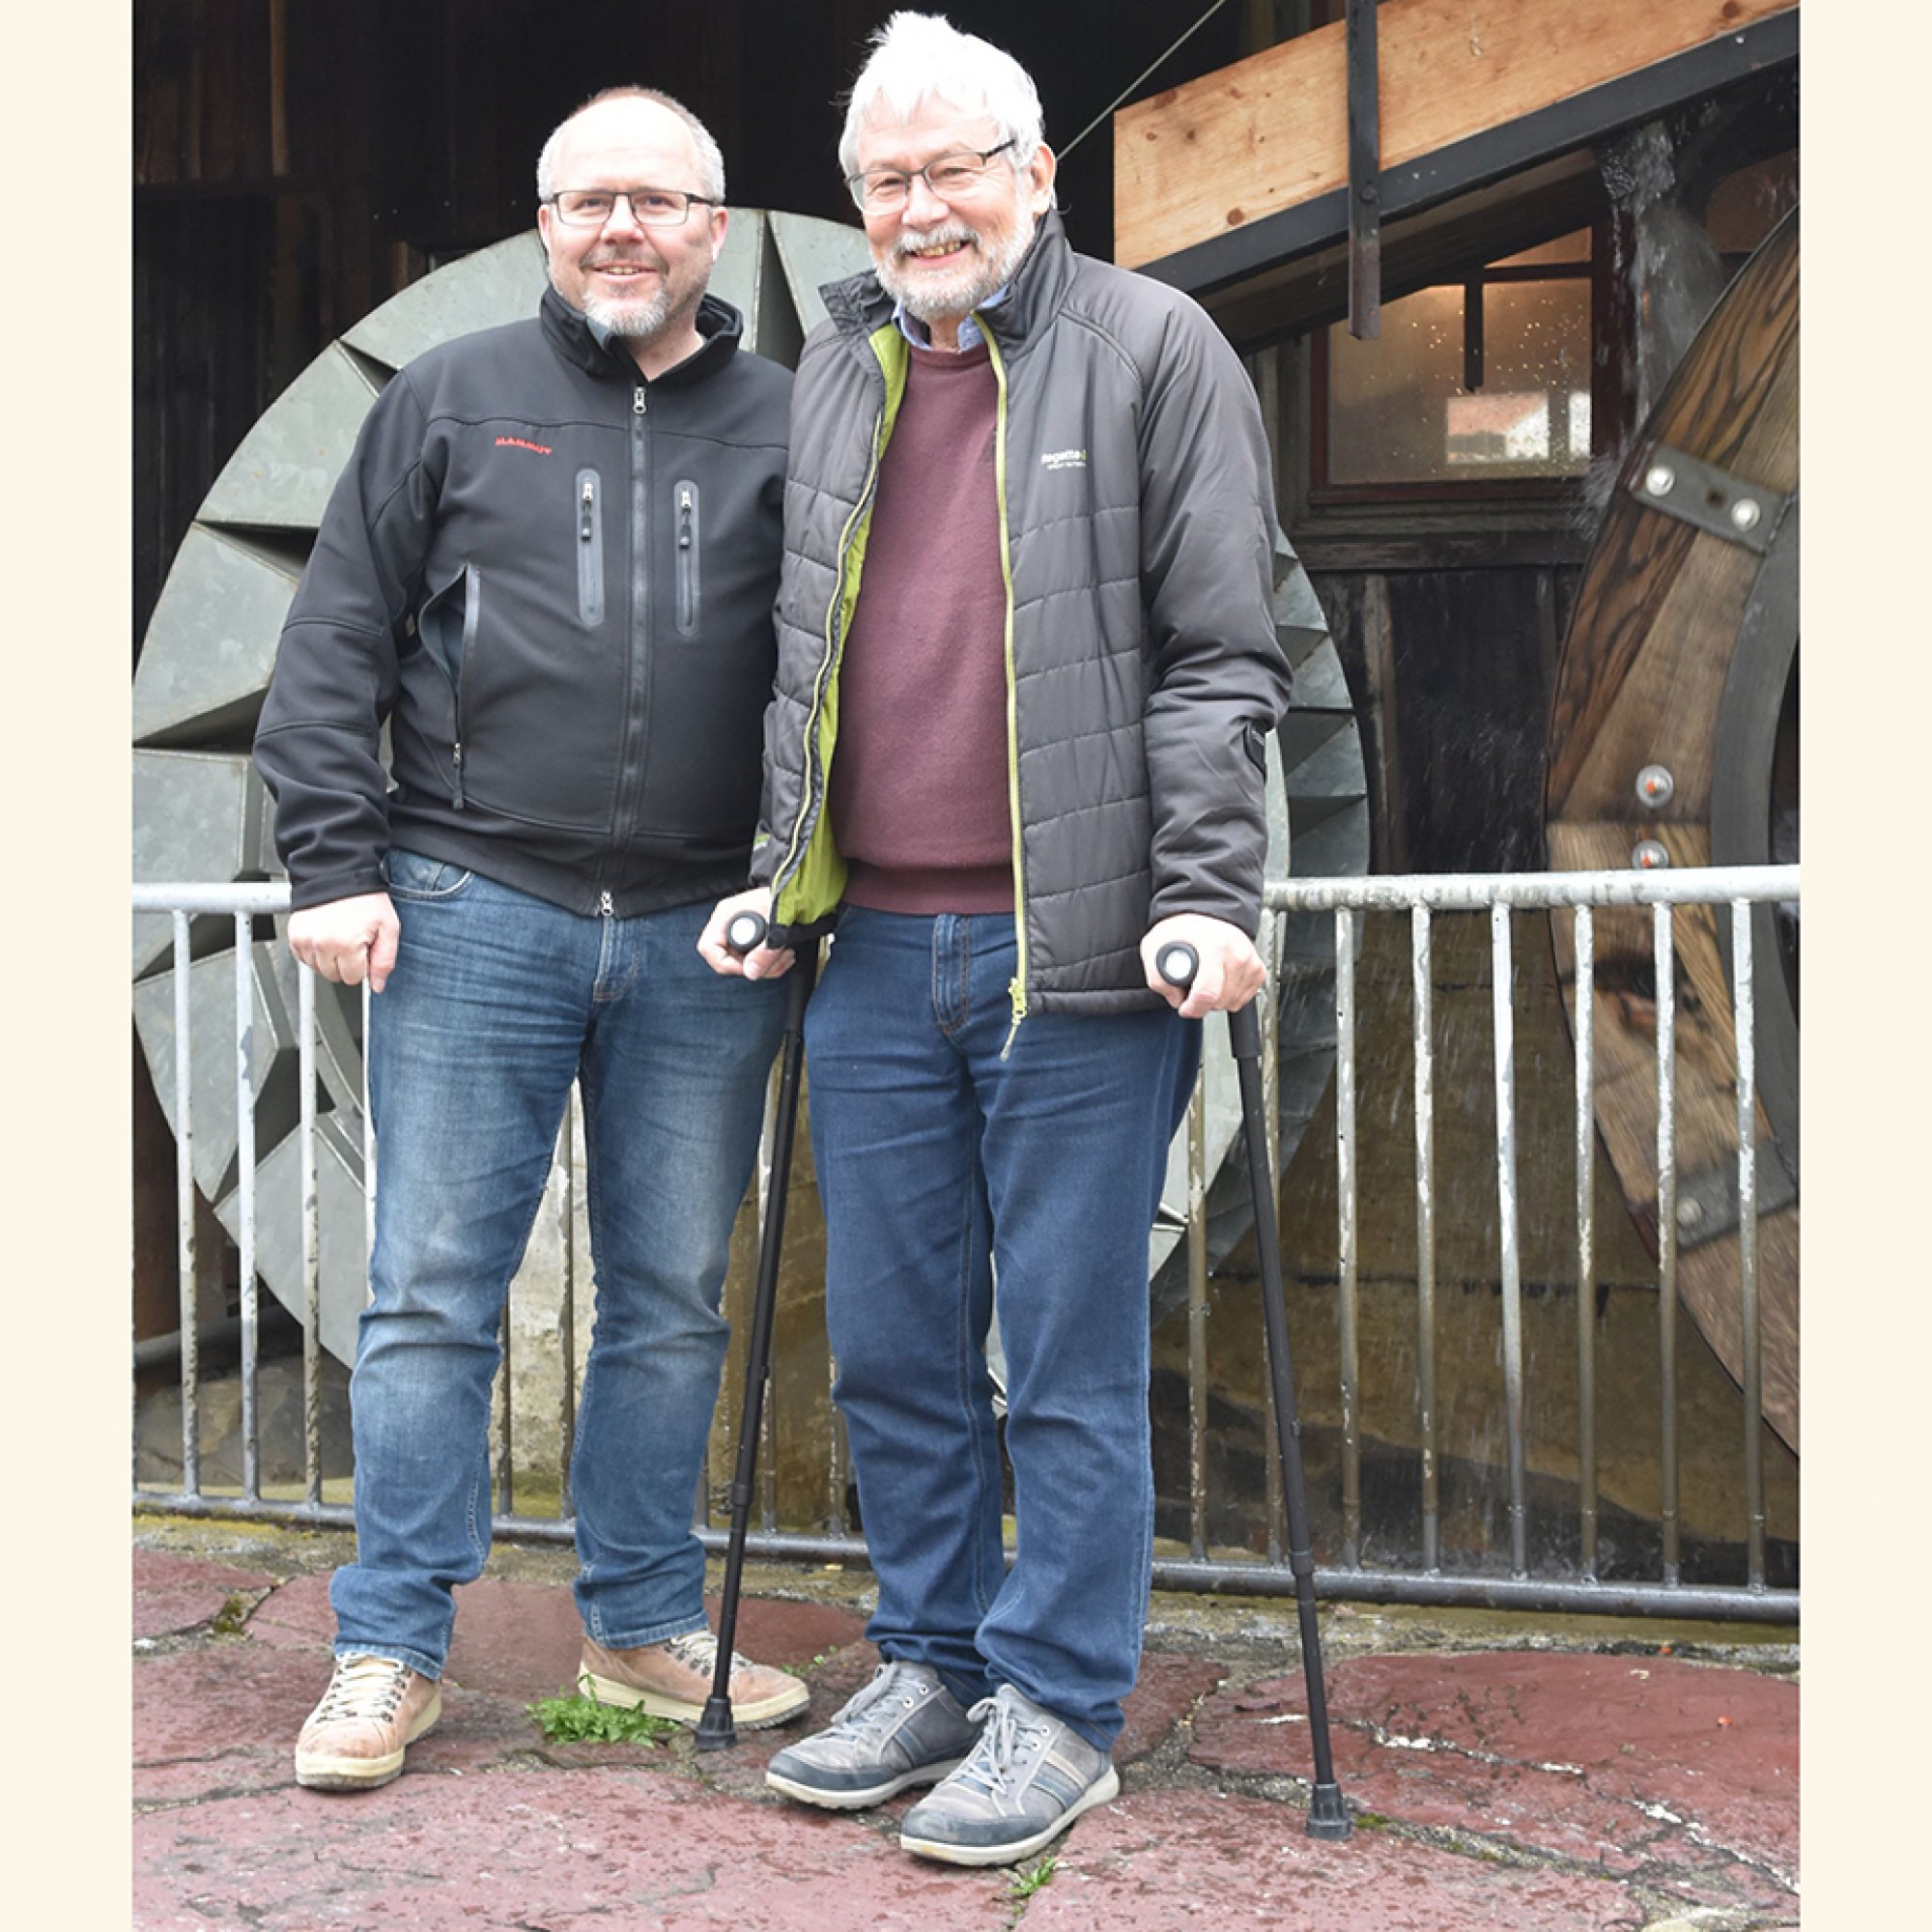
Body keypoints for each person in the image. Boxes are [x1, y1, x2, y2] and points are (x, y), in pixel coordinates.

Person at [699, 12, 1293, 1868]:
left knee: (1063, 1353)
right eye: (884, 179)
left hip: (1082, 956)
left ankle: (1059, 1701)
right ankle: (937, 1658)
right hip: (872, 947)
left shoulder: (1153, 349)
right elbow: (812, 661)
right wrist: (775, 871)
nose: (917, 205)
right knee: (888, 1346)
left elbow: (1220, 655)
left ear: (1039, 170)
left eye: (954, 165)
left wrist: (1209, 895)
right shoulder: (844, 372)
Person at [254, 86, 809, 1794]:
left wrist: (798, 884)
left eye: (654, 199)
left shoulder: (797, 417)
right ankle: (389, 1645)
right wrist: (332, 865)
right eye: (585, 200)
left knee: (668, 1298)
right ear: (545, 224)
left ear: (716, 226)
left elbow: (847, 679)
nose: (618, 227)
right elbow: (333, 646)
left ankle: (636, 1620)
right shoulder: (448, 398)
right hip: (469, 907)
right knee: (428, 1296)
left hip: (704, 929)